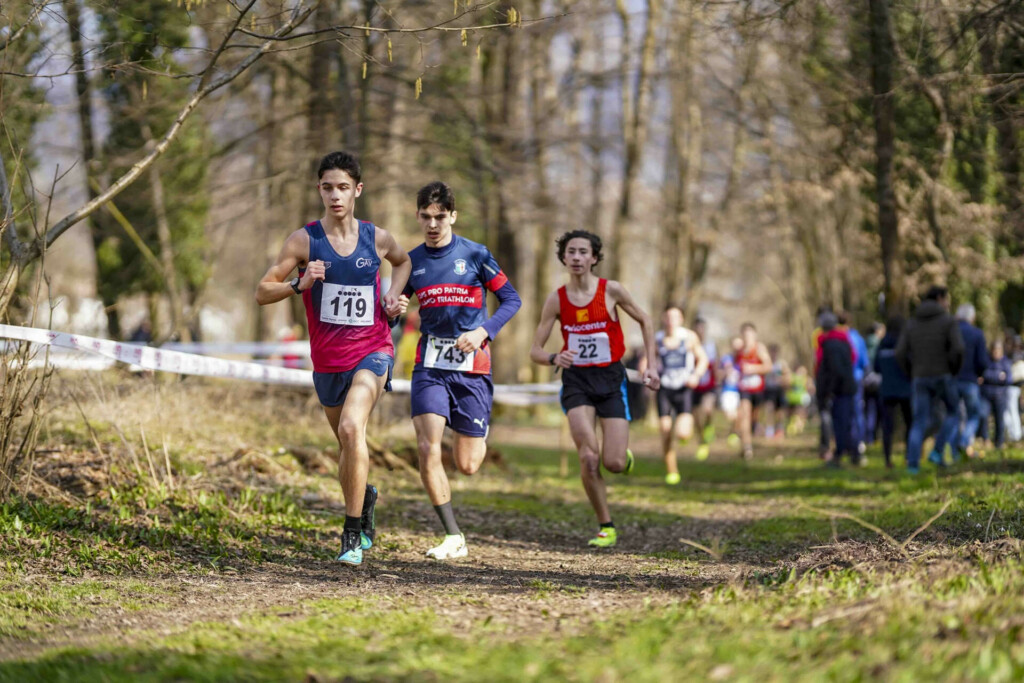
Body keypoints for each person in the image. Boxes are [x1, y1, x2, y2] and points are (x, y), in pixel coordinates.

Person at [255, 151, 410, 566]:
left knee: (351, 426)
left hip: (373, 350)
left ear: (358, 190)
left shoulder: (377, 238)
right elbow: (262, 291)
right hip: (327, 362)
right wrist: (299, 284)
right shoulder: (304, 241)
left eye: (343, 187)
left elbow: (404, 261)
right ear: (319, 190)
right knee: (347, 444)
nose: (335, 196)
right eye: (328, 188)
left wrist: (393, 296)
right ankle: (365, 496)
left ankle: (351, 534)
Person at [398, 182, 521, 560]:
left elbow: (511, 299)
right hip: (430, 366)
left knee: (467, 464)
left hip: (472, 368)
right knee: (427, 446)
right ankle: (453, 535)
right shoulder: (410, 261)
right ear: (417, 216)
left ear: (453, 216)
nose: (432, 224)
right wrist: (394, 310)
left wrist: (483, 331)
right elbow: (391, 310)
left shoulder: (476, 254)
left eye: (440, 217)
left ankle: (472, 425)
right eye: (425, 217)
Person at [530, 230, 659, 548]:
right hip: (576, 382)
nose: (576, 257)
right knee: (588, 457)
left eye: (583, 252)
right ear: (563, 258)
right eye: (571, 252)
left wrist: (652, 366)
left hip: (610, 380)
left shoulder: (611, 290)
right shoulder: (556, 299)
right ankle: (606, 526)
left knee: (612, 463)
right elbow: (535, 350)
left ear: (594, 258)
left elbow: (645, 320)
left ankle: (621, 456)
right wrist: (554, 357)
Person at [895, 286, 965, 474]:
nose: (947, 303)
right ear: (940, 298)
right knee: (953, 412)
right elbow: (959, 348)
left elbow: (900, 352)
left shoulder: (911, 323)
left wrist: (911, 372)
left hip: (919, 377)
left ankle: (912, 465)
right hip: (943, 375)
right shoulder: (948, 321)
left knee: (919, 420)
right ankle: (937, 451)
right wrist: (953, 369)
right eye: (946, 299)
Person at [649, 306, 708, 484]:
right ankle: (672, 471)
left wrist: (696, 375)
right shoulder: (657, 339)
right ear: (663, 319)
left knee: (683, 434)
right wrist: (647, 373)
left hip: (684, 388)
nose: (671, 321)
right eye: (668, 317)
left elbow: (703, 359)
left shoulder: (689, 337)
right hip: (664, 389)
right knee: (665, 431)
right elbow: (647, 360)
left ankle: (684, 434)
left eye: (675, 317)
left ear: (681, 319)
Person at [816, 312, 858, 466]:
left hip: (839, 390)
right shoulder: (844, 341)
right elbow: (852, 359)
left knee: (840, 423)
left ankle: (840, 455)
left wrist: (829, 390)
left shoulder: (830, 344)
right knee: (848, 422)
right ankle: (854, 453)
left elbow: (834, 370)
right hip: (847, 387)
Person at [874, 316, 911, 468]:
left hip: (887, 390)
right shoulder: (905, 343)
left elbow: (876, 367)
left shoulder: (882, 344)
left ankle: (887, 459)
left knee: (887, 427)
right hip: (906, 389)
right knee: (909, 423)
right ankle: (909, 457)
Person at [954, 303, 989, 459]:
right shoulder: (977, 334)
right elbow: (982, 360)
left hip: (953, 379)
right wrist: (980, 374)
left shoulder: (951, 332)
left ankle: (955, 453)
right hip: (970, 380)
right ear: (972, 317)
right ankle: (964, 441)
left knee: (954, 416)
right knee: (974, 414)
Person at [735, 323, 773, 460]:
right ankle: (747, 447)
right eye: (745, 335)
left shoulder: (759, 348)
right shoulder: (739, 350)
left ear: (755, 335)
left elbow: (768, 366)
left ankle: (750, 434)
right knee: (744, 415)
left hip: (758, 390)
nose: (748, 337)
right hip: (744, 389)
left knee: (754, 418)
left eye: (750, 334)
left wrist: (753, 368)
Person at [691, 317, 718, 460]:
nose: (700, 332)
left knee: (707, 409)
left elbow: (716, 365)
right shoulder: (689, 346)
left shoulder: (711, 346)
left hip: (709, 386)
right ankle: (701, 441)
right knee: (696, 417)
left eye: (702, 329)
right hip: (694, 386)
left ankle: (709, 425)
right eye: (698, 329)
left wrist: (718, 379)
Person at [979, 339, 1012, 451]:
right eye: (994, 350)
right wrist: (998, 376)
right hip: (986, 394)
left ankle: (999, 442)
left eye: (998, 350)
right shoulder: (986, 361)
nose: (996, 353)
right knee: (983, 416)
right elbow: (983, 374)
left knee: (999, 420)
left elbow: (1008, 379)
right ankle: (985, 439)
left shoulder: (1005, 362)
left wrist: (989, 377)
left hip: (1000, 396)